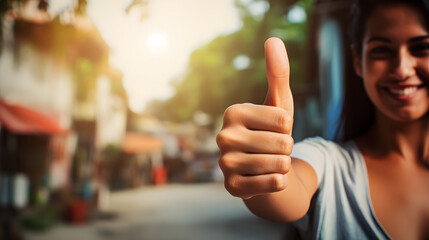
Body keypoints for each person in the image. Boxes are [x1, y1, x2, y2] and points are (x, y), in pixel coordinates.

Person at [216, 0, 429, 239]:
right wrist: (261, 169)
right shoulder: (328, 163)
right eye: (381, 50)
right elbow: (286, 188)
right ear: (358, 61)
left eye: (422, 48)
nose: (402, 69)